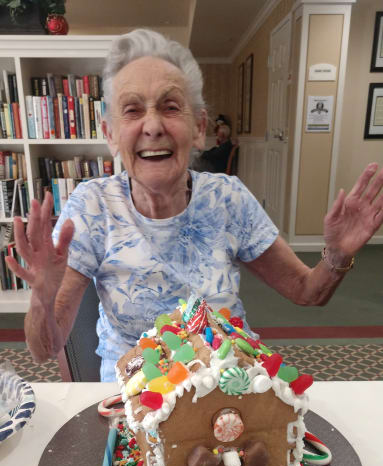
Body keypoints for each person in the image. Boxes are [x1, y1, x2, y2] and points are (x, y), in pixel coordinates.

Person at [5, 29, 383, 382]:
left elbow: (307, 292)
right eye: (133, 110)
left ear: (199, 128)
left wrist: (336, 255)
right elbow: (45, 349)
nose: (152, 126)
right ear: (110, 135)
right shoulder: (91, 207)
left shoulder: (227, 198)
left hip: (229, 379)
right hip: (137, 391)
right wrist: (41, 300)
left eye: (170, 107)